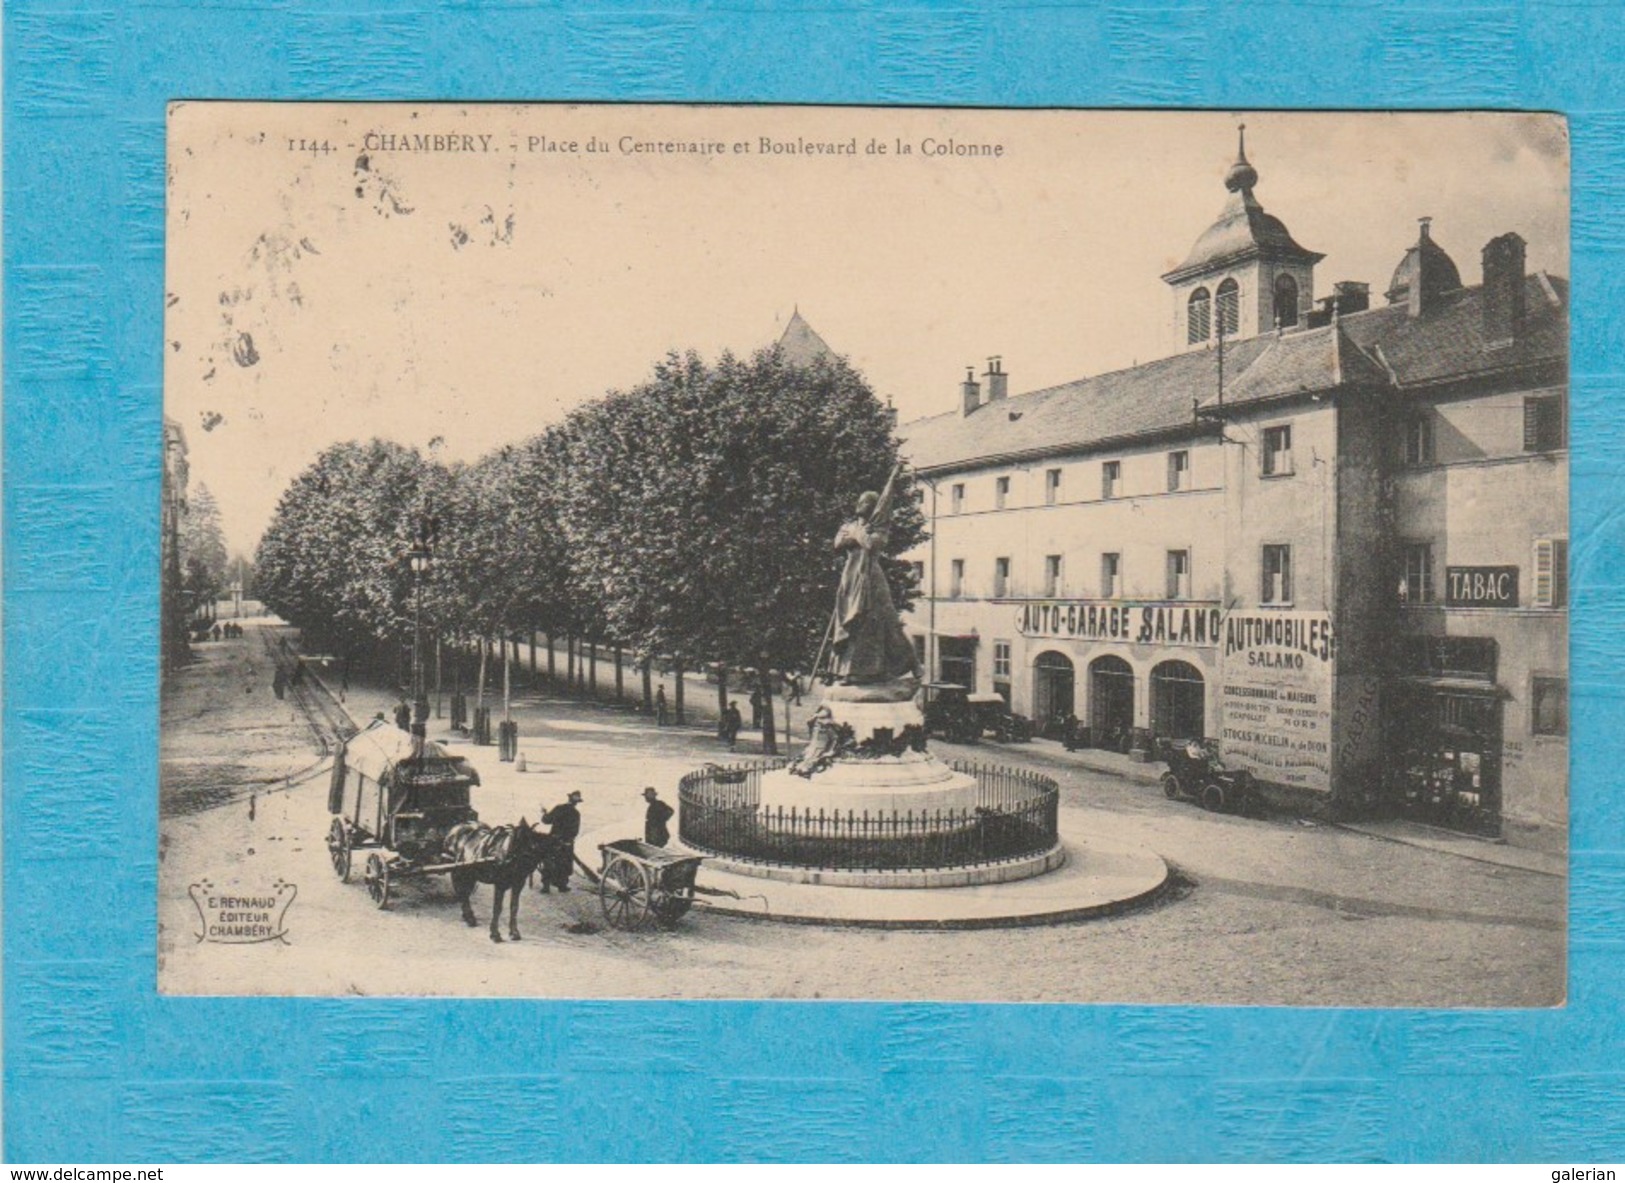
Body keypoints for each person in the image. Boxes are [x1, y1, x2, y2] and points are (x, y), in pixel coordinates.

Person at [829, 473, 922, 687]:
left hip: (872, 577)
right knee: (850, 624)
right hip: (851, 578)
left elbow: (872, 545)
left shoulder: (878, 528)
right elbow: (837, 544)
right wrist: (858, 534)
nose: (861, 504)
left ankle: (909, 663)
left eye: (867, 502)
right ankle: (850, 672)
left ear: (873, 508)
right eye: (860, 501)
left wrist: (860, 535)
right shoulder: (849, 525)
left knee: (885, 620)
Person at [539, 790, 583, 893]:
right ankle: (562, 886)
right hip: (566, 842)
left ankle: (546, 886)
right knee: (564, 864)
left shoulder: (559, 808)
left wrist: (544, 813)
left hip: (553, 840)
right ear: (576, 803)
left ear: (568, 798)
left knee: (548, 861)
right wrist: (568, 840)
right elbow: (575, 831)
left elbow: (546, 821)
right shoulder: (576, 813)